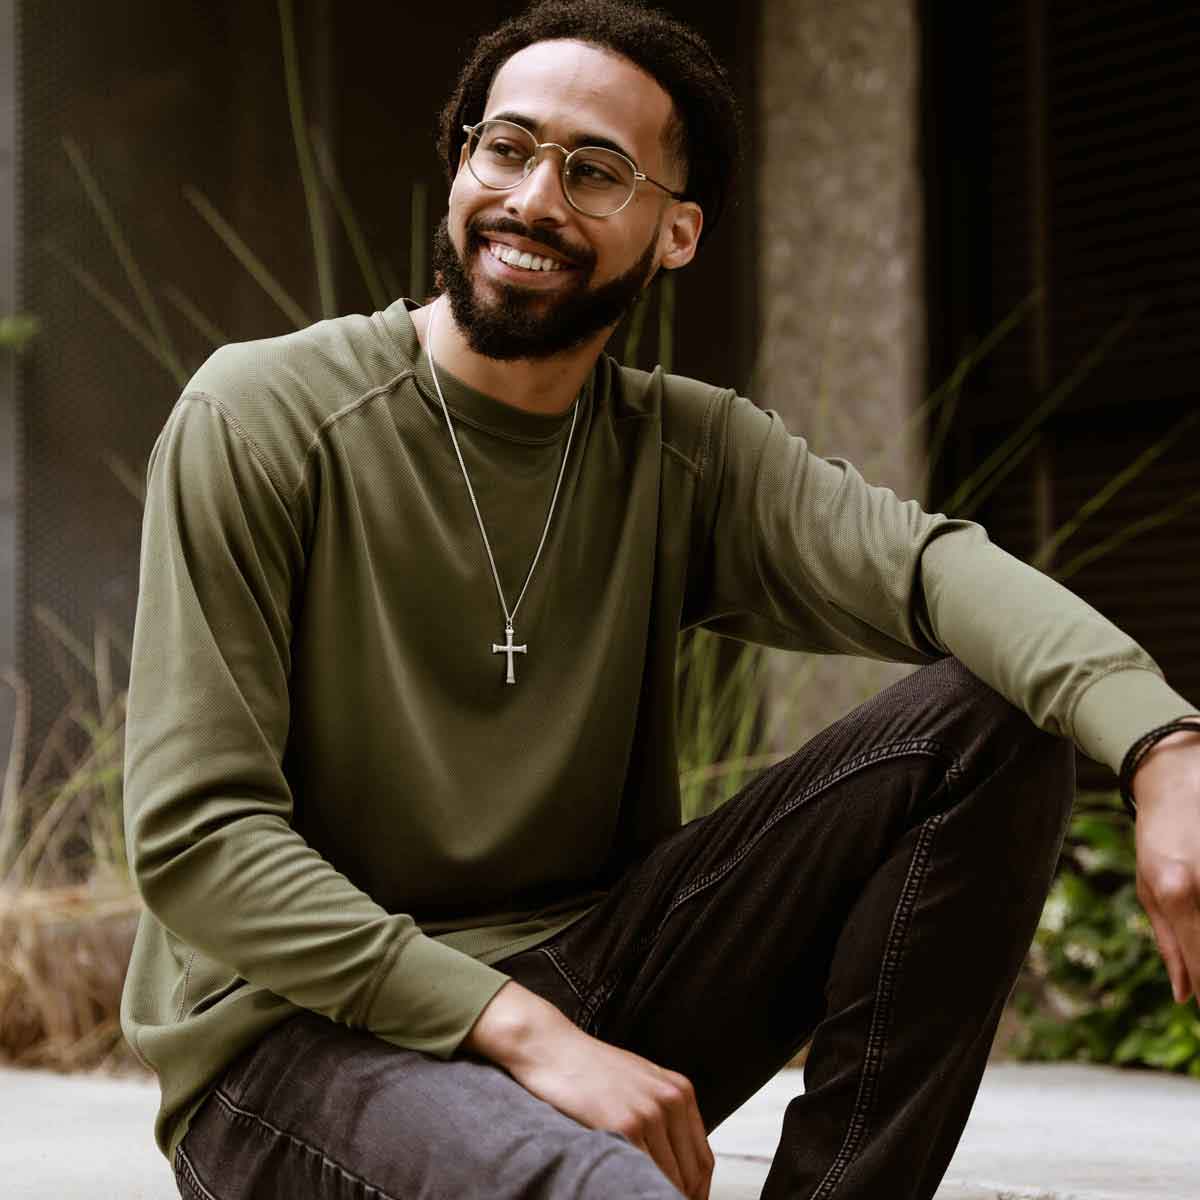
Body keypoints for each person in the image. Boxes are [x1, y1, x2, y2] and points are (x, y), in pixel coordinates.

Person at [119, 2, 1200, 1198]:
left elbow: (930, 566)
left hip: (589, 980)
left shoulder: (684, 451)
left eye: (595, 172)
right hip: (297, 1046)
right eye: (506, 147)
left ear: (676, 232)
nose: (534, 199)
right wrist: (526, 1035)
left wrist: (1163, 746)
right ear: (459, 160)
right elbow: (199, 841)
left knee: (997, 721)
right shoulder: (264, 415)